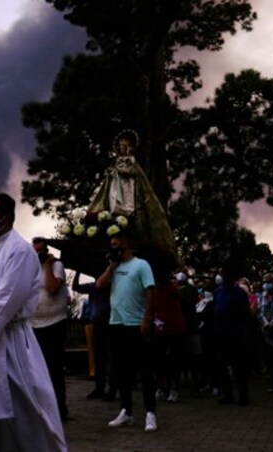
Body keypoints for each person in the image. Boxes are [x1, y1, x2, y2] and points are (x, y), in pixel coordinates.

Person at [0, 193, 66, 451]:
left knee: (24, 412)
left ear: (7, 217)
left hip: (11, 342)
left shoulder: (20, 251)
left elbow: (9, 295)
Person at [95, 231, 158, 432]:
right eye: (111, 245)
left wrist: (146, 318)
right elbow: (99, 285)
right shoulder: (114, 267)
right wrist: (111, 267)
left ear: (126, 244)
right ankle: (126, 411)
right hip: (116, 323)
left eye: (116, 244)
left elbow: (150, 291)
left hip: (136, 324)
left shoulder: (141, 265)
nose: (113, 248)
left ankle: (150, 413)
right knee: (122, 370)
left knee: (145, 369)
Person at [88, 129, 177, 261]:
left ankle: (127, 219)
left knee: (128, 204)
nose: (122, 149)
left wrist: (119, 170)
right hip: (117, 187)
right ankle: (116, 216)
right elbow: (114, 172)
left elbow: (131, 171)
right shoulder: (117, 160)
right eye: (121, 146)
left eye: (125, 146)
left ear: (129, 147)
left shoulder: (131, 160)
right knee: (114, 201)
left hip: (128, 186)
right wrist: (112, 172)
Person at [30, 237, 70, 421]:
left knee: (54, 367)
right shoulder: (29, 267)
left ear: (47, 251)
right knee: (38, 368)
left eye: (40, 251)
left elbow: (53, 288)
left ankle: (60, 409)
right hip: (34, 324)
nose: (37, 254)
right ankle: (42, 408)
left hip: (55, 322)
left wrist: (46, 265)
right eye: (34, 251)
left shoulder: (56, 266)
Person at [72, 270, 116, 402]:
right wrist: (78, 272)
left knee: (110, 357)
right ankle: (100, 387)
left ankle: (111, 389)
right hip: (98, 324)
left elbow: (76, 288)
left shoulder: (110, 286)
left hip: (110, 324)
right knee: (99, 358)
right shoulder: (93, 286)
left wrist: (78, 272)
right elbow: (75, 287)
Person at [212, 267, 251, 406]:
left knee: (238, 366)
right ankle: (227, 395)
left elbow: (245, 314)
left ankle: (243, 396)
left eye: (224, 274)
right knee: (222, 366)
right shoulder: (218, 292)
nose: (221, 277)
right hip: (220, 333)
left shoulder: (239, 293)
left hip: (235, 333)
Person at [147, 268, 186, 404]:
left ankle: (174, 388)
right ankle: (161, 387)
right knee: (158, 360)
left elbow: (177, 296)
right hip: (160, 329)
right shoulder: (153, 291)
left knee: (173, 360)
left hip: (175, 329)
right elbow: (149, 308)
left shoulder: (171, 290)